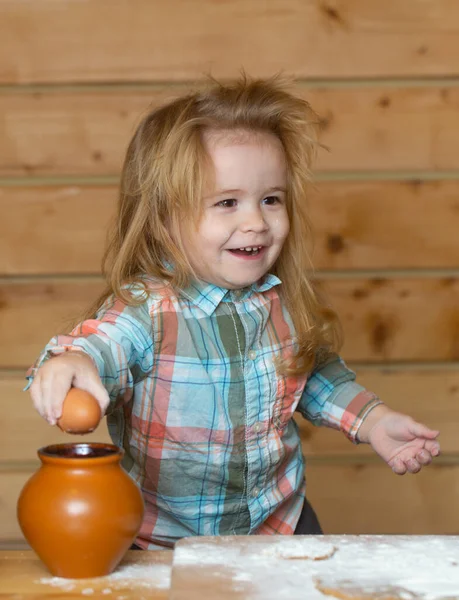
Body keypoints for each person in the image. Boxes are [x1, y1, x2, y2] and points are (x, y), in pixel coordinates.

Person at [26, 75, 440, 549]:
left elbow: (315, 376)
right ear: (163, 221)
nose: (256, 222)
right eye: (227, 203)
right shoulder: (148, 311)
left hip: (280, 526)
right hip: (167, 543)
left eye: (271, 199)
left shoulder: (280, 302)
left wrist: (374, 421)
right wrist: (72, 363)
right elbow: (102, 344)